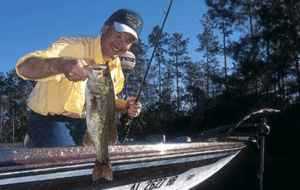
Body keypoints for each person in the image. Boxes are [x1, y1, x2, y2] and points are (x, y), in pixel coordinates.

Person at [15, 9, 143, 148]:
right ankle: (34, 140)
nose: (120, 44)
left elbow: (107, 100)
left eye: (127, 41)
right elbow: (24, 67)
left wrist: (125, 106)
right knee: (68, 163)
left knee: (113, 155)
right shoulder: (73, 46)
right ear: (106, 29)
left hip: (87, 123)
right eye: (118, 35)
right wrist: (62, 65)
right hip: (49, 121)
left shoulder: (116, 67)